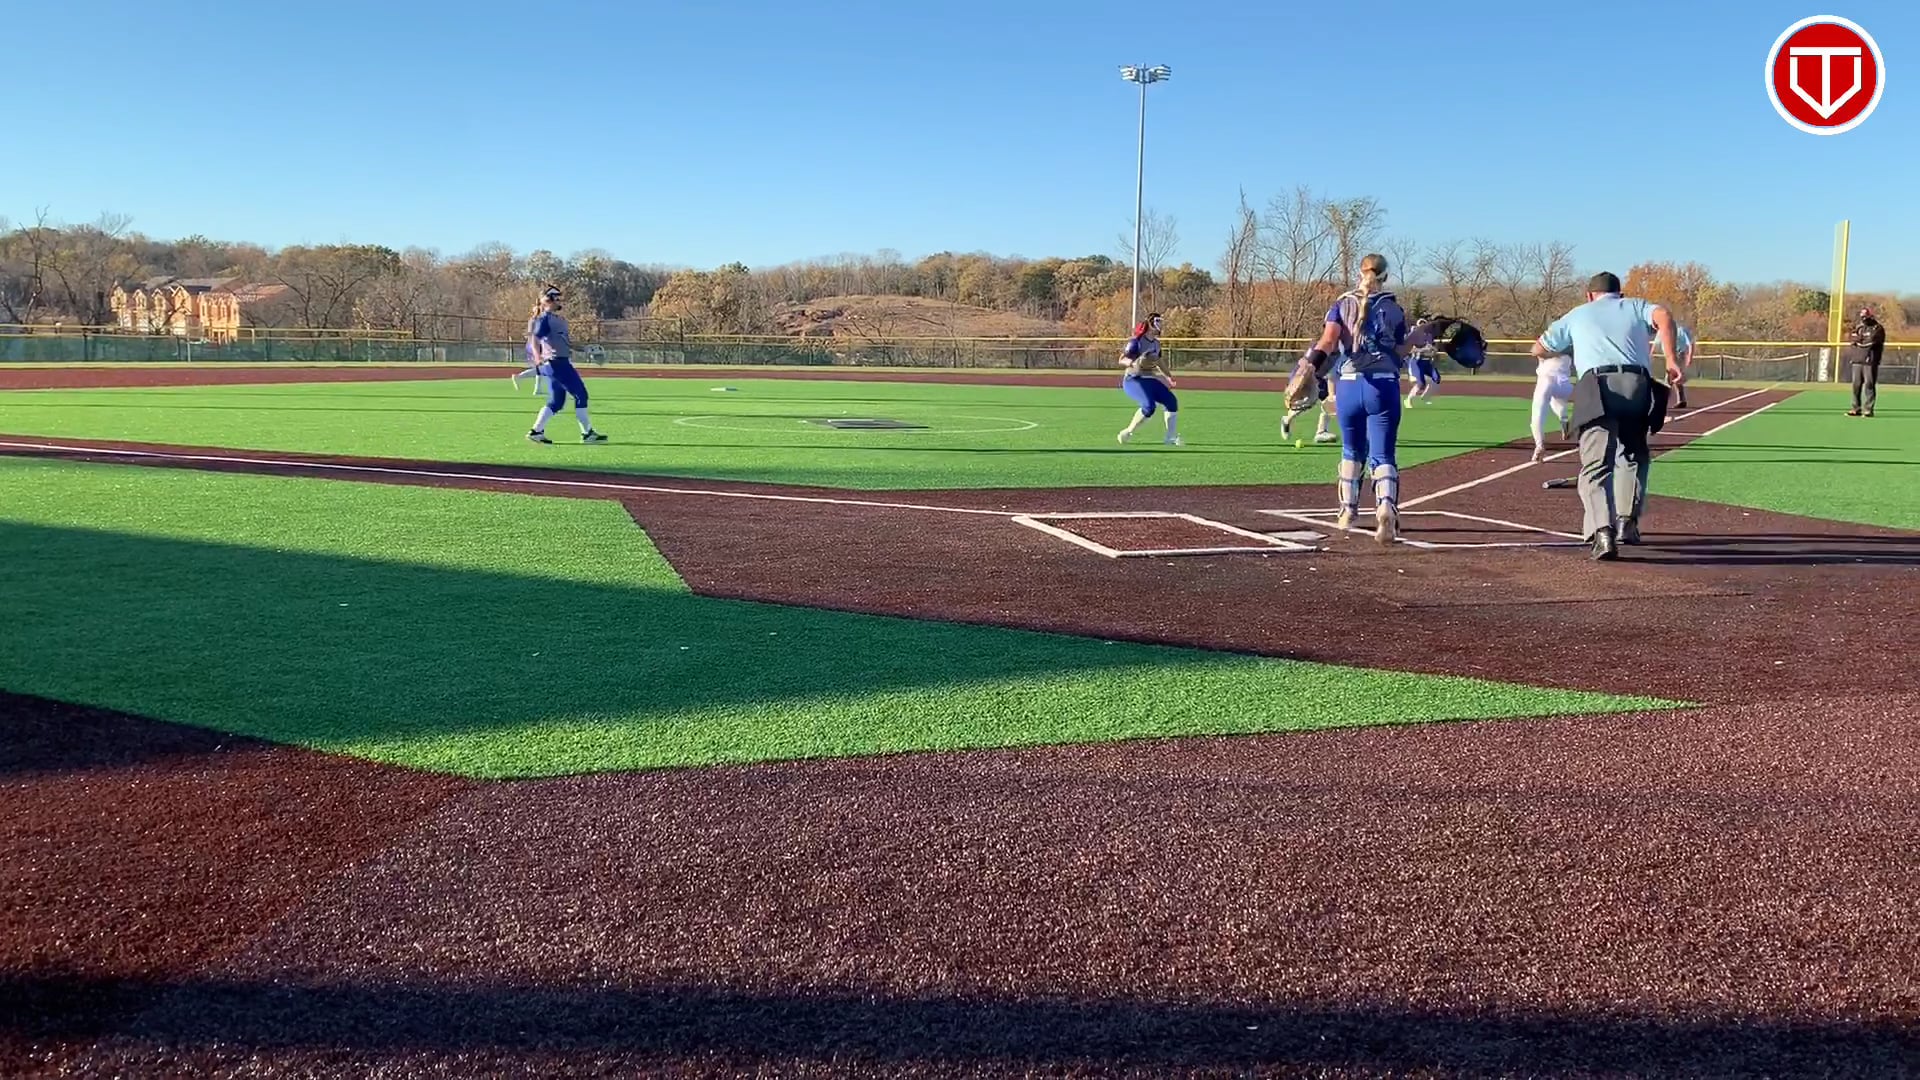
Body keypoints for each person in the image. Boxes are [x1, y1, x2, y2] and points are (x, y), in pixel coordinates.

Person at [1532, 272, 1683, 560]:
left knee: (1596, 463)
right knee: (1633, 456)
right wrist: (1671, 359)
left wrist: (1559, 349)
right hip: (1637, 385)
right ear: (1619, 294)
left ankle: (1603, 533)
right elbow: (1664, 316)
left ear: (1590, 295)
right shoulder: (1636, 306)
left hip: (1597, 386)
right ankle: (1627, 523)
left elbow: (1539, 348)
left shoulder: (1577, 314)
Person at [1284, 253, 1428, 544]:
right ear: (1385, 276)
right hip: (1383, 386)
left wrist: (1309, 368)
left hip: (1348, 386)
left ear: (1360, 273)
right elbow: (1399, 351)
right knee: (1383, 454)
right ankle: (1385, 507)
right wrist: (1416, 340)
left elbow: (1327, 341)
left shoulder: (1342, 304)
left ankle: (1347, 511)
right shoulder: (1393, 308)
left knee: (1351, 450)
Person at [526, 287, 607, 444]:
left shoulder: (558, 320)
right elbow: (535, 339)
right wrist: (537, 356)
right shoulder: (545, 319)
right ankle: (587, 433)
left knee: (556, 402)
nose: (560, 301)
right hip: (557, 364)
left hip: (557, 363)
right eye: (557, 298)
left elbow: (566, 343)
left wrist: (585, 349)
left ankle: (536, 431)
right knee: (581, 395)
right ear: (548, 300)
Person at [1116, 313, 1181, 446]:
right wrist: (1130, 363)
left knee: (1171, 402)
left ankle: (1170, 438)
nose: (1161, 324)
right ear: (1151, 323)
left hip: (1150, 379)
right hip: (1134, 379)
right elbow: (1121, 359)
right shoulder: (1136, 342)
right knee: (1149, 406)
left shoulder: (1156, 344)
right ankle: (1128, 432)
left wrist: (1168, 377)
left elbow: (1159, 362)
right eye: (1158, 321)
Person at [1530, 347, 1575, 462]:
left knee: (1537, 414)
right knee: (1558, 403)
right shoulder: (1571, 344)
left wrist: (1548, 352)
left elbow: (1536, 352)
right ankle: (1564, 420)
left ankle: (1539, 445)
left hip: (1546, 380)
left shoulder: (1548, 342)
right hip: (1565, 383)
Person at [1847, 307, 1886, 417]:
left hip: (1870, 361)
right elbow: (1853, 339)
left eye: (1865, 317)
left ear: (1871, 316)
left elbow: (1871, 341)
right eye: (1862, 317)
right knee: (1856, 385)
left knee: (1869, 384)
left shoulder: (1877, 328)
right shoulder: (1859, 327)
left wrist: (1861, 342)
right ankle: (1856, 408)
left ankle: (1868, 409)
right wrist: (1860, 341)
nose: (1863, 319)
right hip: (1857, 360)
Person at [1280, 373, 1338, 444]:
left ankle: (1321, 431)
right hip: (1316, 377)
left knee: (1328, 401)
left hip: (1324, 377)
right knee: (1309, 402)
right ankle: (1287, 419)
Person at [512, 301, 551, 394]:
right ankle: (520, 377)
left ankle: (537, 388)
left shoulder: (532, 320)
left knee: (540, 367)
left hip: (531, 344)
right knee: (541, 367)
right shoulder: (538, 321)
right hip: (536, 345)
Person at [1661, 322, 1695, 410]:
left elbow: (1690, 343)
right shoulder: (1665, 330)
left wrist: (1689, 356)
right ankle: (1681, 400)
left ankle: (1661, 402)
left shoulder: (1681, 330)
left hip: (1678, 355)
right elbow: (1658, 342)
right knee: (1675, 378)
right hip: (1670, 356)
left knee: (1669, 378)